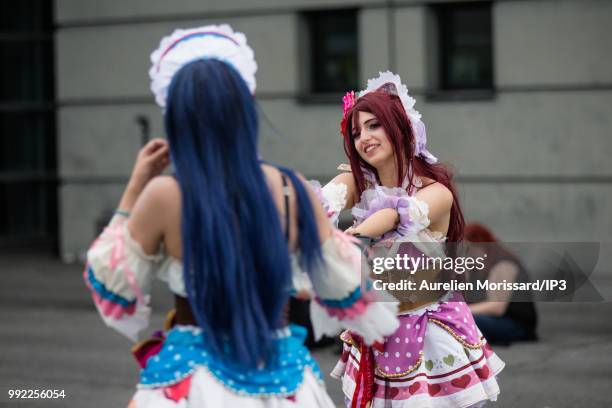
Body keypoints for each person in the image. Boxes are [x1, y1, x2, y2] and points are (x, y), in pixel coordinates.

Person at [83, 25, 400, 407]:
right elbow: (348, 283)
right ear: (245, 110)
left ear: (178, 118)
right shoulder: (289, 188)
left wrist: (135, 186)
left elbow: (111, 283)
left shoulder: (165, 195)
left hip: (194, 378)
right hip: (282, 378)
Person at [312, 72, 505, 407]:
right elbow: (322, 203)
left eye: (374, 126)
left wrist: (354, 235)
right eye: (356, 132)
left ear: (400, 128)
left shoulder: (436, 192)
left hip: (429, 328)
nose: (364, 138)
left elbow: (394, 216)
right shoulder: (358, 182)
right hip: (380, 329)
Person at [464, 223, 538, 345]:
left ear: (480, 246)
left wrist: (461, 311)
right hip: (492, 319)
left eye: (467, 249)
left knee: (467, 321)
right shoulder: (476, 265)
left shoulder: (503, 264)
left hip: (516, 324)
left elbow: (497, 307)